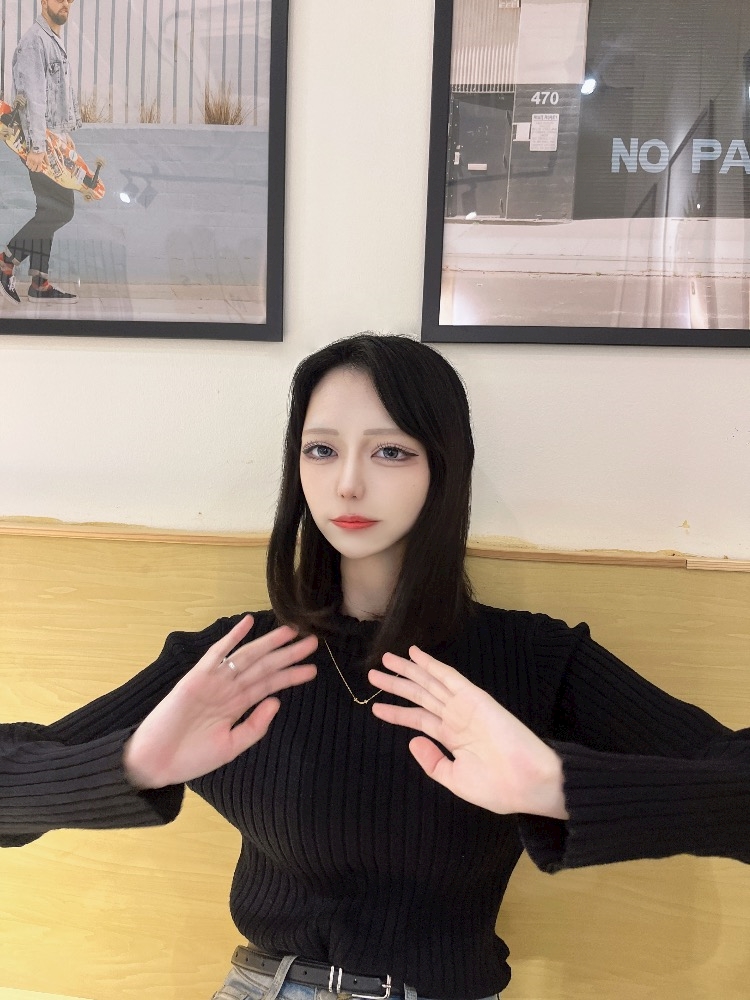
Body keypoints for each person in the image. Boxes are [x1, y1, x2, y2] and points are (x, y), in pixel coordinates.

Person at [2, 333, 750, 1000]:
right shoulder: (230, 666)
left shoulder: (535, 660)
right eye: (321, 450)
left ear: (443, 467)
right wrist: (129, 764)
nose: (348, 484)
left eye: (390, 451)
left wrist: (556, 786)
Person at [0, 0, 80, 305]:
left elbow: (57, 98)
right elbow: (33, 99)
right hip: (40, 145)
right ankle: (6, 260)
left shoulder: (52, 40)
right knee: (61, 209)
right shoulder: (35, 42)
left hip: (53, 143)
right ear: (44, 1)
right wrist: (37, 148)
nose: (66, 3)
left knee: (48, 209)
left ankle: (39, 282)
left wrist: (65, 139)